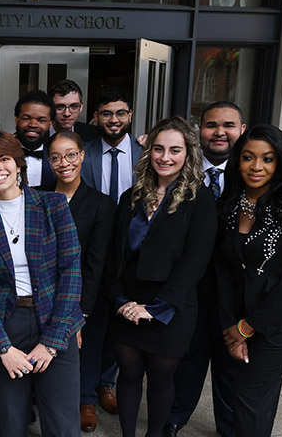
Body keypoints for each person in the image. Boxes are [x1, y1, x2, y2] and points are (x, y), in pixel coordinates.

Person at [0, 131, 84, 437]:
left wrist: (53, 341)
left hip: (55, 319)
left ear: (19, 164)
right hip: (7, 323)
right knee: (12, 423)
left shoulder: (53, 204)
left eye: (4, 159)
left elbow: (70, 271)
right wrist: (1, 346)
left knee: (62, 424)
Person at [104, 117, 217, 437]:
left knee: (161, 377)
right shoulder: (131, 196)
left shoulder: (199, 199)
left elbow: (196, 261)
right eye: (158, 148)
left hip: (172, 305)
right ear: (149, 151)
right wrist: (120, 300)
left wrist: (156, 307)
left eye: (175, 150)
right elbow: (114, 255)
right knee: (126, 375)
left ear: (188, 154)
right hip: (126, 302)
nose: (165, 157)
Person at [214, 124, 282, 437]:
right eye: (248, 157)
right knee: (253, 392)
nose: (256, 166)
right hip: (237, 315)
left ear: (280, 163)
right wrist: (230, 326)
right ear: (237, 161)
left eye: (268, 159)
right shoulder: (229, 206)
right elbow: (222, 271)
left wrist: (247, 328)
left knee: (251, 393)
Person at [166, 101, 245, 437]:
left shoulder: (253, 171)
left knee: (231, 368)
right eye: (212, 125)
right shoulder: (180, 170)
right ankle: (174, 418)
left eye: (228, 125)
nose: (219, 132)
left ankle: (229, 427)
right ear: (200, 131)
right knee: (186, 362)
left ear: (241, 130)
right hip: (191, 291)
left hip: (236, 293)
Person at [45, 131, 115, 432]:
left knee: (87, 347)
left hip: (86, 295)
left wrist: (81, 313)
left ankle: (86, 399)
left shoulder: (101, 203)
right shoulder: (39, 196)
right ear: (49, 161)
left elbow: (96, 263)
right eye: (56, 157)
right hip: (46, 291)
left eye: (71, 155)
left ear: (82, 156)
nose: (64, 163)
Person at [78, 89, 142, 413]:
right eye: (106, 113)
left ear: (130, 115)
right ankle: (86, 396)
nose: (113, 119)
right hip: (92, 251)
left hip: (131, 252)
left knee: (120, 325)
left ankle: (107, 382)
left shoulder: (146, 154)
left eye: (120, 113)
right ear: (96, 117)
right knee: (92, 323)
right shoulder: (84, 153)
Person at [13, 90, 55, 189]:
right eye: (26, 118)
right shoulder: (2, 152)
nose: (33, 125)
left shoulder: (56, 157)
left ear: (50, 124)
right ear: (17, 120)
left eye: (41, 120)